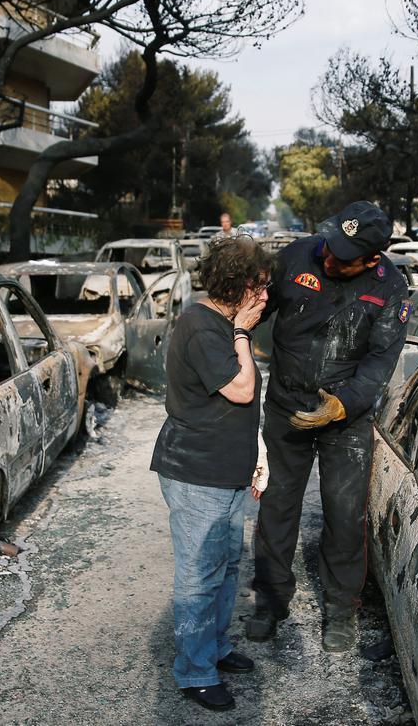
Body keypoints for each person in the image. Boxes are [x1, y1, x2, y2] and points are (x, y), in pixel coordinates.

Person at [248, 200, 409, 653]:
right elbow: (254, 310)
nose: (329, 257)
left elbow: (379, 364)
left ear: (373, 258)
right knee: (276, 507)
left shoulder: (391, 289)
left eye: (344, 254)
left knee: (344, 516)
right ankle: (271, 602)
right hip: (285, 408)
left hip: (345, 421)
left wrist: (340, 406)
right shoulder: (298, 256)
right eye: (331, 244)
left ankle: (341, 609)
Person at [152, 236, 272, 712]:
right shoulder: (206, 328)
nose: (266, 296)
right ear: (236, 286)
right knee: (200, 576)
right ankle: (195, 672)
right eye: (259, 287)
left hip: (225, 471)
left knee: (225, 570)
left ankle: (215, 649)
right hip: (196, 472)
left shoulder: (220, 321)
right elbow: (242, 390)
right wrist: (243, 333)